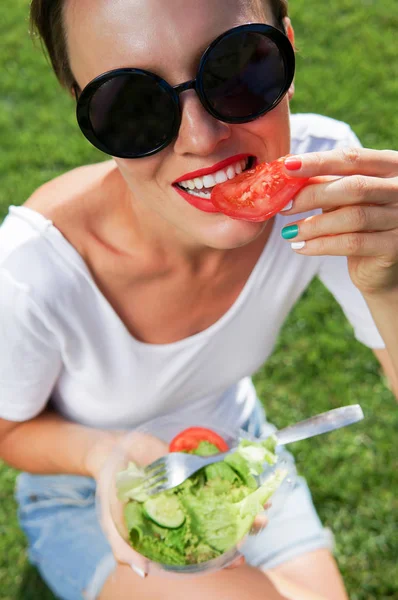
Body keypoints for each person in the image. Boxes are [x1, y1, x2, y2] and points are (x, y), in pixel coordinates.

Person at [0, 0, 397, 598]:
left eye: (235, 69)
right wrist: (106, 457)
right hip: (85, 489)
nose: (202, 137)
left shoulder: (326, 184)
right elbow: (8, 432)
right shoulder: (32, 271)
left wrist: (389, 285)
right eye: (131, 101)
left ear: (287, 51)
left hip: (241, 442)